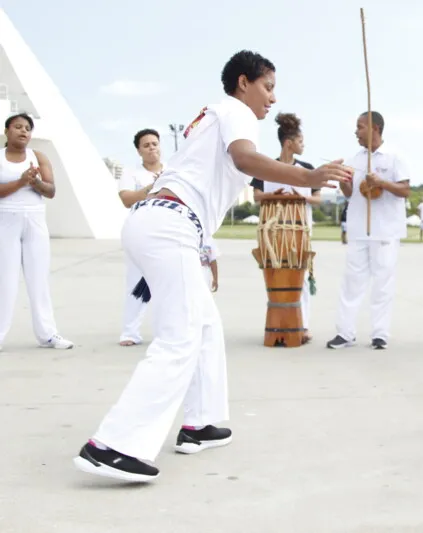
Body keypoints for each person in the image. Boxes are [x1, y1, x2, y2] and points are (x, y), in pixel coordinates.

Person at [73, 50, 351, 483]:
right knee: (179, 338)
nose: (272, 99)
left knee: (204, 325)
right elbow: (244, 159)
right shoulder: (238, 112)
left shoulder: (212, 118)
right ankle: (113, 445)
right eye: (269, 87)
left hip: (166, 223)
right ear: (244, 82)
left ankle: (200, 424)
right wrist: (307, 178)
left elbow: (217, 178)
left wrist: (206, 250)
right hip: (168, 226)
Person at [326, 111, 410, 350]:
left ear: (376, 128)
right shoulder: (355, 158)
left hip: (386, 231)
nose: (356, 131)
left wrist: (381, 182)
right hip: (359, 229)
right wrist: (342, 178)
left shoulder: (395, 156)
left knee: (383, 284)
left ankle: (380, 334)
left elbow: (404, 190)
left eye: (360, 127)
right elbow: (349, 192)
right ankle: (345, 333)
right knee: (351, 282)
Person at [0, 113, 73, 352]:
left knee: (38, 280)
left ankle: (48, 334)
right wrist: (21, 182)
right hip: (6, 221)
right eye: (18, 127)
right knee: (5, 282)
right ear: (7, 131)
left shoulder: (38, 157)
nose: (23, 131)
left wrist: (35, 183)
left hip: (35, 222)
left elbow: (50, 191)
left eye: (27, 128)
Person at [251, 112, 320, 343]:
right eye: (300, 141)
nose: (303, 145)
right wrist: (275, 195)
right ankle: (279, 326)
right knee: (276, 280)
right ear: (289, 143)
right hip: (272, 232)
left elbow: (318, 199)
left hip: (300, 230)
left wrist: (298, 196)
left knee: (300, 279)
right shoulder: (266, 167)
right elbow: (257, 196)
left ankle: (304, 326)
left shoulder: (307, 168)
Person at [117, 128, 164, 346]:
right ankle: (130, 332)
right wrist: (151, 187)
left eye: (154, 143)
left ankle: (167, 330)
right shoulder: (131, 173)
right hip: (139, 231)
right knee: (136, 281)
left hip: (166, 230)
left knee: (168, 282)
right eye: (146, 145)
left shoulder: (172, 171)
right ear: (139, 151)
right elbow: (127, 199)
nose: (151, 148)